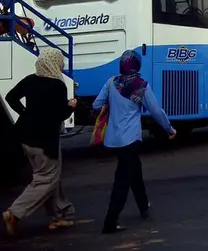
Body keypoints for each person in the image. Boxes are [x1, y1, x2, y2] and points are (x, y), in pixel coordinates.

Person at [92, 50, 175, 234]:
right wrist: (169, 129)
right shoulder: (140, 85)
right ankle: (110, 222)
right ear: (137, 65)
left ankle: (144, 206)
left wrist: (110, 105)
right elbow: (156, 111)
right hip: (130, 139)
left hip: (113, 140)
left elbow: (96, 105)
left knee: (134, 171)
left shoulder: (112, 82)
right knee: (122, 181)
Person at [2, 48, 77, 236]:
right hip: (45, 141)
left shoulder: (30, 80)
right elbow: (61, 114)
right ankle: (14, 213)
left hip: (25, 138)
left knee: (51, 177)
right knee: (46, 180)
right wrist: (71, 106)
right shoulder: (57, 86)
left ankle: (57, 216)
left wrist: (26, 114)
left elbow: (10, 97)